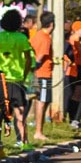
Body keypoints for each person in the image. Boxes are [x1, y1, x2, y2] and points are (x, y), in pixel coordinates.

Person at [0, 9, 33, 146]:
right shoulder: (22, 38)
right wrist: (25, 74)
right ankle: (23, 142)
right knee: (20, 115)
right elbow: (28, 59)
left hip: (0, 81)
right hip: (17, 81)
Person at [30, 11, 56, 142]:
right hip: (43, 74)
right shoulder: (45, 38)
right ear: (51, 24)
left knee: (41, 101)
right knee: (42, 102)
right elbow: (39, 57)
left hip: (40, 74)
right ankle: (38, 131)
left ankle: (39, 129)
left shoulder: (37, 35)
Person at [64, 20, 81, 122]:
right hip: (71, 70)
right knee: (70, 94)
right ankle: (68, 117)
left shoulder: (79, 43)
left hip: (79, 70)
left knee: (78, 94)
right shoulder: (71, 41)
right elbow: (67, 54)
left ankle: (74, 118)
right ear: (76, 30)